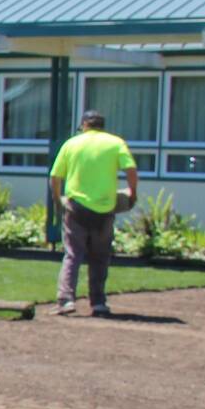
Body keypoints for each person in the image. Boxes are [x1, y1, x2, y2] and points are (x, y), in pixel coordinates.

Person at [50, 110, 138, 317]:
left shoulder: (72, 144)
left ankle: (66, 300)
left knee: (73, 254)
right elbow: (131, 170)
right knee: (100, 257)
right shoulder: (115, 143)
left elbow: (55, 176)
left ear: (84, 125)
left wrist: (57, 200)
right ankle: (98, 302)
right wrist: (132, 194)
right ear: (102, 125)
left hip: (76, 207)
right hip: (105, 208)